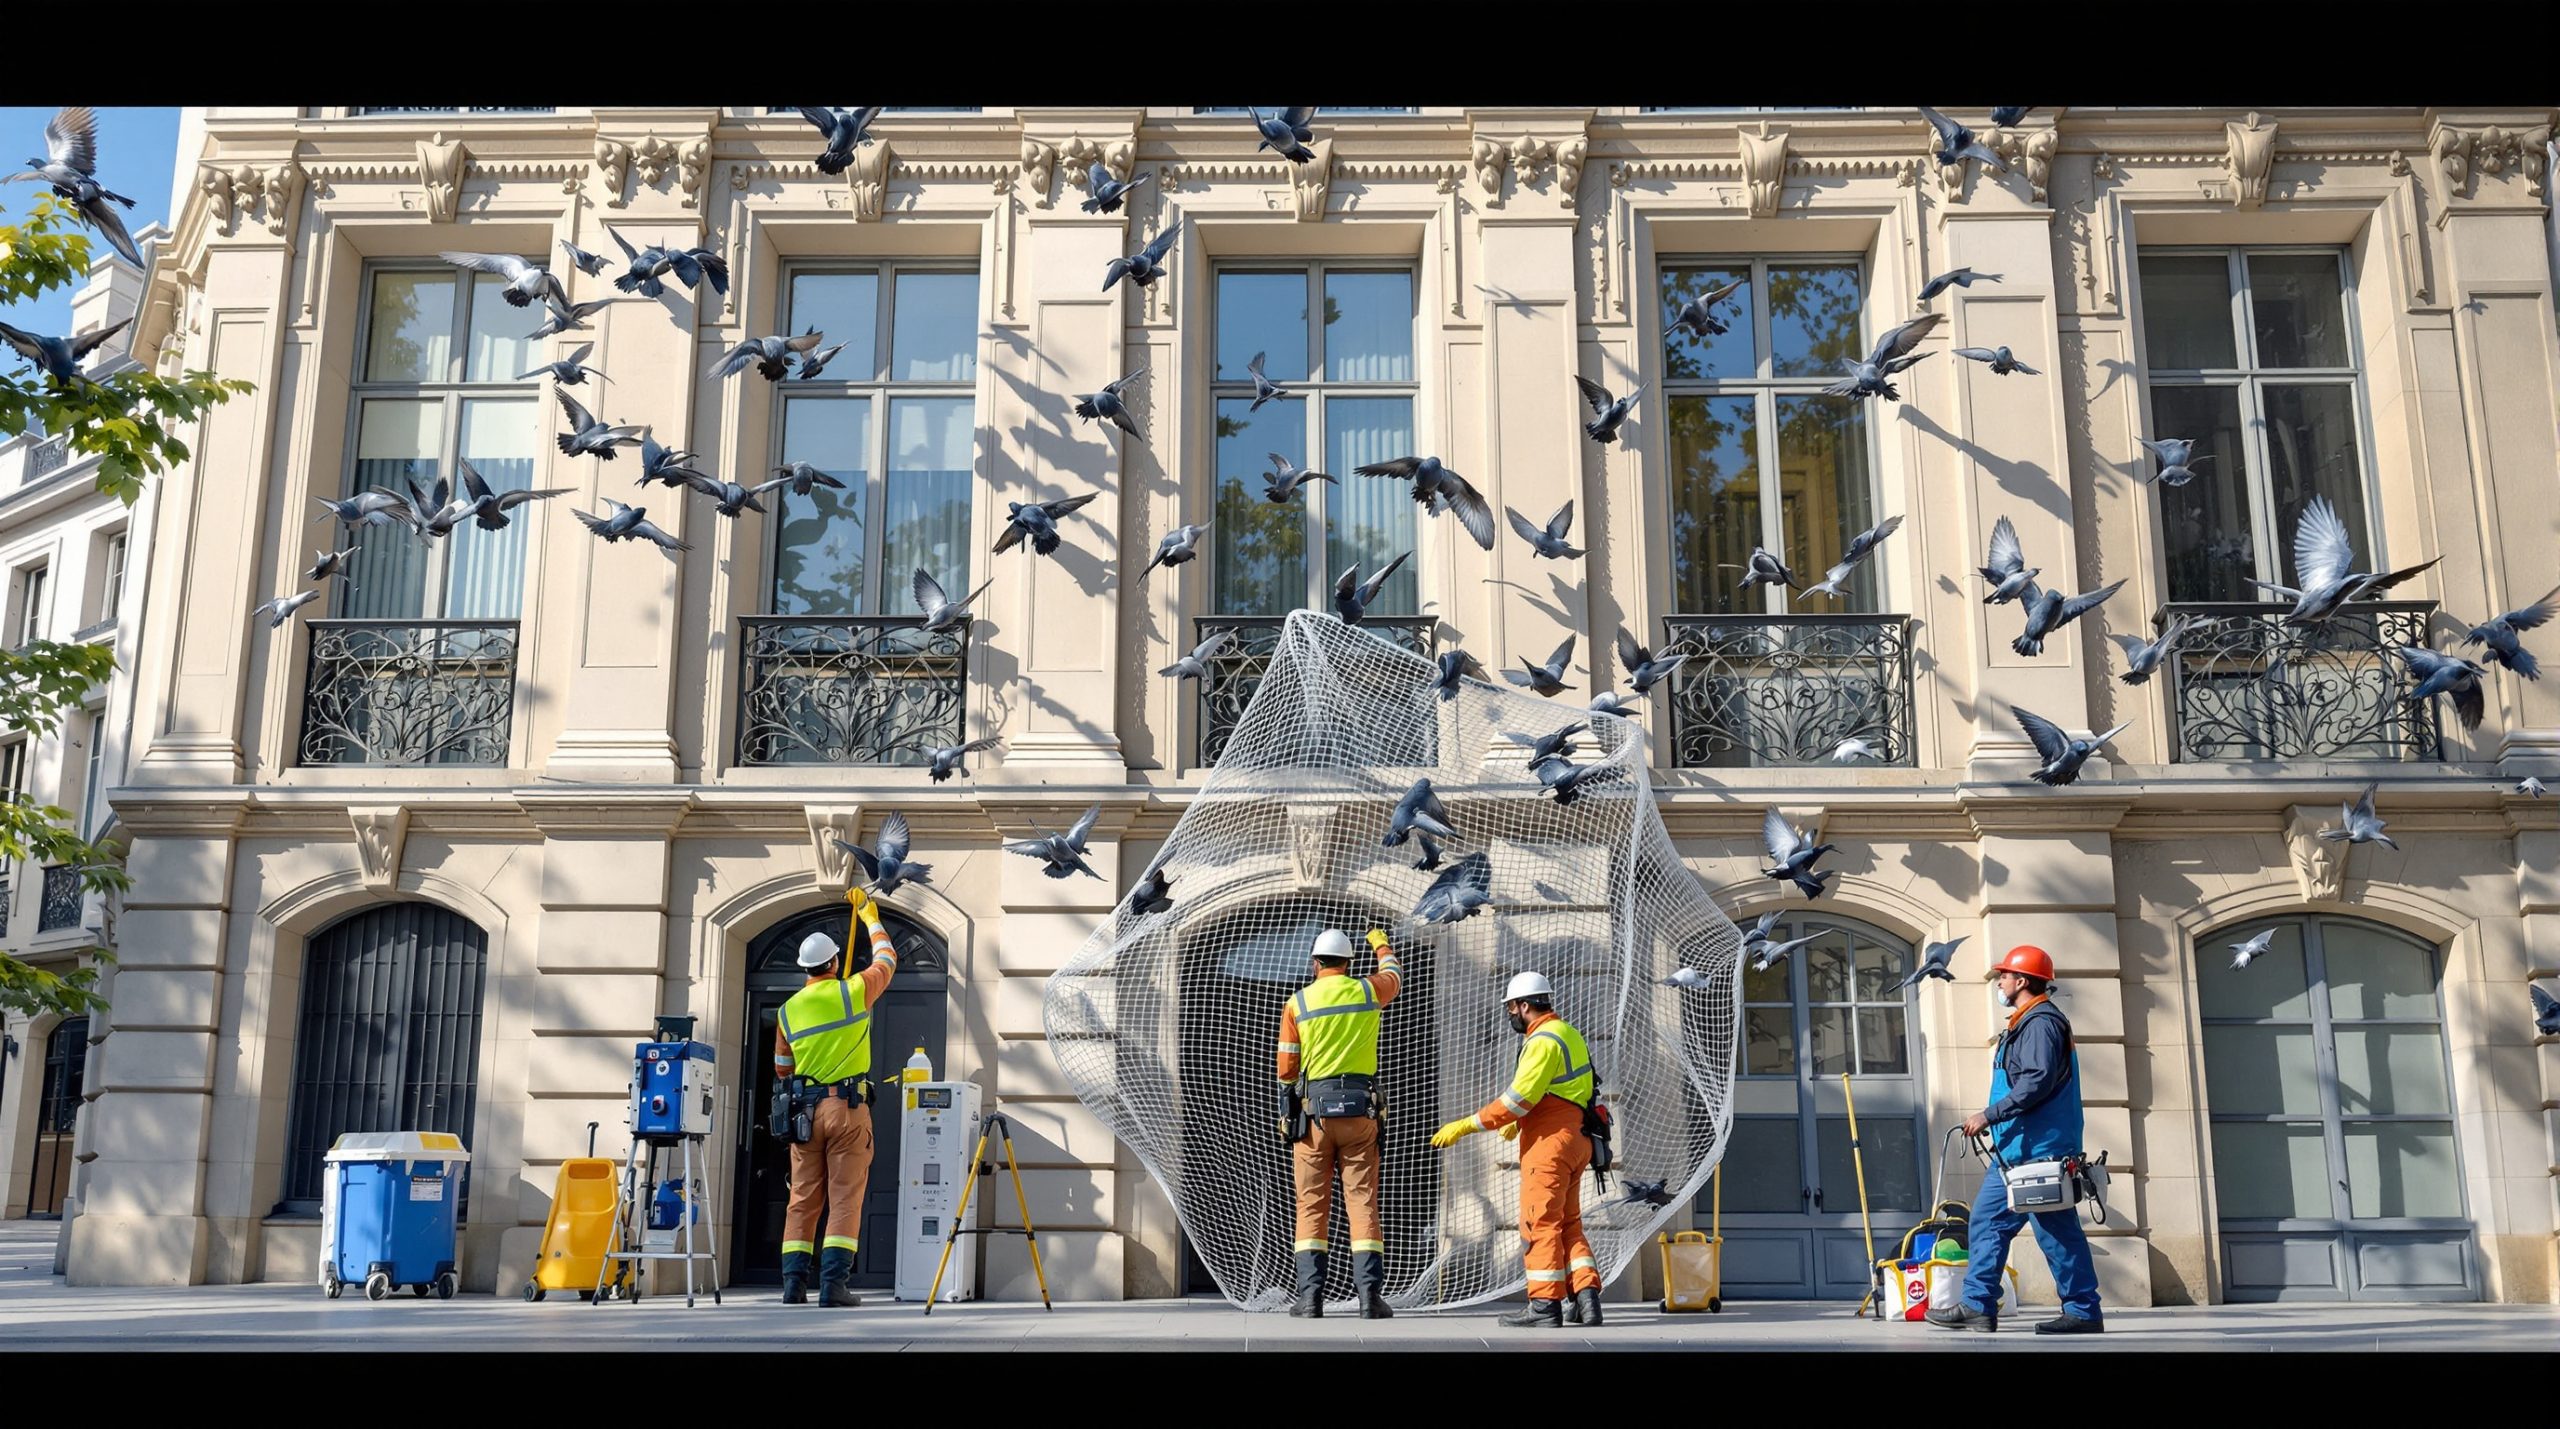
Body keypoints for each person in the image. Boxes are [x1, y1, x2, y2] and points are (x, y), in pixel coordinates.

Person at [1928, 944, 2104, 1335]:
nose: (2000, 982)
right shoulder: (2027, 1021)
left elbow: (2037, 1081)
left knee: (2056, 1231)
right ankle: (1978, 1305)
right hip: (2019, 1150)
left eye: (2004, 976)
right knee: (1989, 1223)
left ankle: (2083, 1310)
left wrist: (1988, 1115)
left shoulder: (2040, 1023)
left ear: (2022, 981)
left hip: (2038, 1150)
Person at [1428, 970, 1605, 1329]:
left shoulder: (1541, 1041)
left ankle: (1543, 1305)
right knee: (1568, 1224)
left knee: (1539, 1223)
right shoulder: (1568, 1032)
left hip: (1550, 1145)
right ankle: (1586, 1301)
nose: (1510, 1014)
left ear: (1525, 1005)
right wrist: (1522, 1120)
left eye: (1512, 1007)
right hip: (1577, 1139)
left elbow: (1518, 1098)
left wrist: (1466, 1125)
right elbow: (1567, 1090)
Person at [774, 886, 900, 1307]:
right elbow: (887, 959)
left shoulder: (787, 1011)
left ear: (805, 969)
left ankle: (793, 1285)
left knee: (802, 1198)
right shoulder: (853, 991)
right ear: (832, 963)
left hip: (803, 1114)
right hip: (847, 1110)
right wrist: (869, 916)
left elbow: (781, 1067)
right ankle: (833, 1286)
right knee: (845, 1197)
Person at [1275, 926, 1403, 1318]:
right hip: (1360, 1113)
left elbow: (1286, 1068)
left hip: (1314, 1116)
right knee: (1362, 1203)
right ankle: (1369, 1300)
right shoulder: (1367, 990)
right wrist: (1380, 942)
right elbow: (1395, 976)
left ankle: (1310, 1300)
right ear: (1349, 963)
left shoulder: (1298, 1003)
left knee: (1311, 1205)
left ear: (1315, 963)